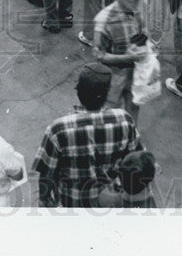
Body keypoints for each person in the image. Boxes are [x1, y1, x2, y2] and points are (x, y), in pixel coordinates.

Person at [33, 62, 144, 208]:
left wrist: (45, 199)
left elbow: (46, 175)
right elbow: (137, 161)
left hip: (72, 206)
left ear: (79, 92)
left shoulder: (58, 130)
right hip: (109, 203)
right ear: (106, 94)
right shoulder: (124, 120)